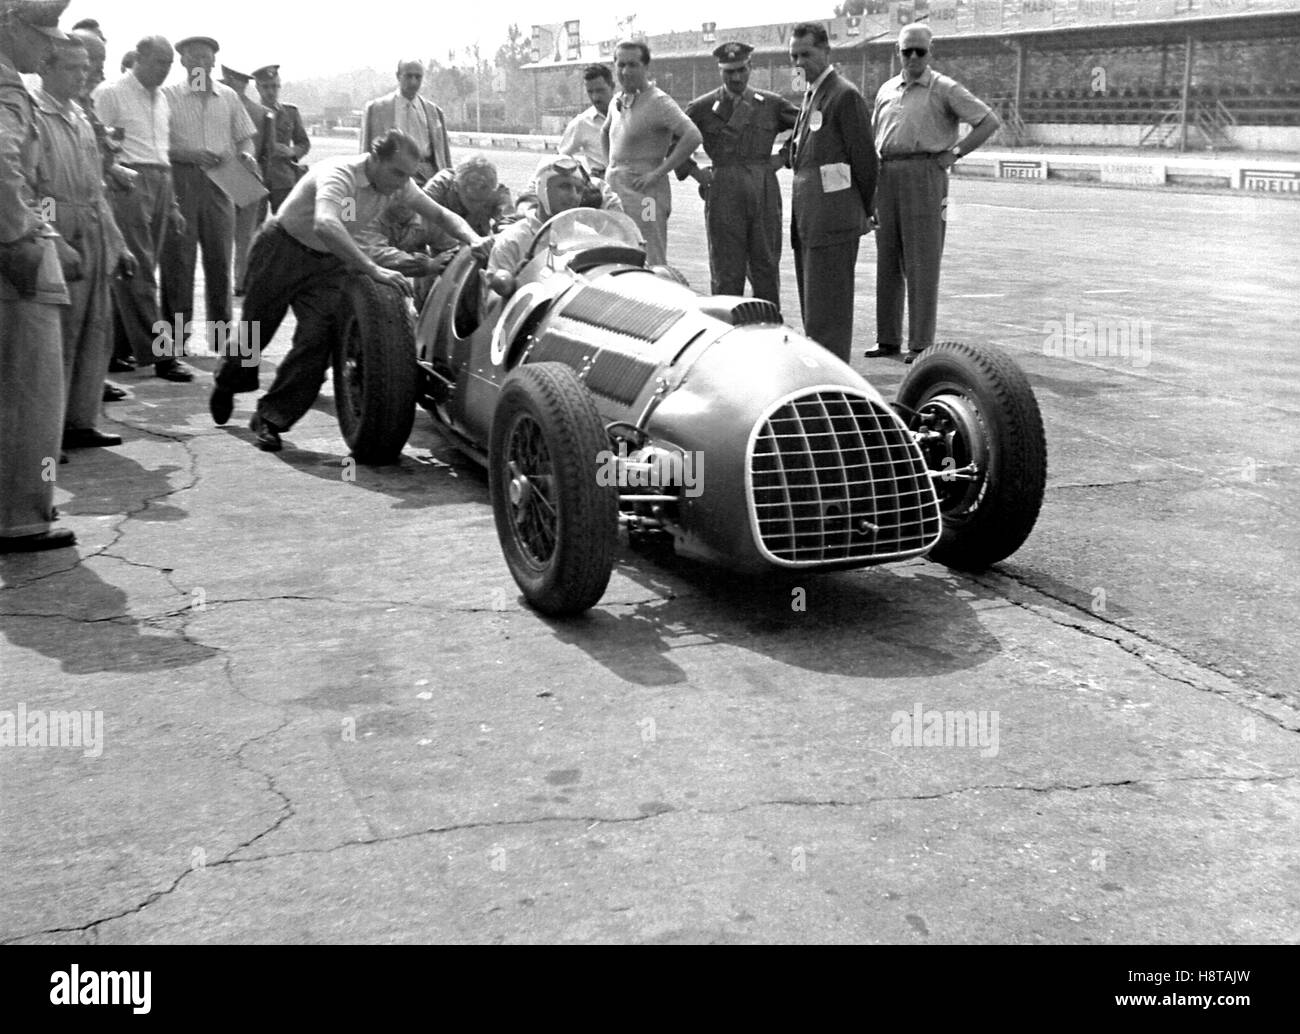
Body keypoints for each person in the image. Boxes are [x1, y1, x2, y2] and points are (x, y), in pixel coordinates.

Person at [208, 130, 490, 453]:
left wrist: (474, 239)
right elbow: (325, 224)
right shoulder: (339, 174)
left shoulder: (399, 184)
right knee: (255, 332)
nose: (402, 183)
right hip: (282, 249)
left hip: (328, 262)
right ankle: (228, 381)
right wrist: (372, 268)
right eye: (397, 172)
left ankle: (270, 419)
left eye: (408, 176)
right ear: (375, 158)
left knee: (320, 341)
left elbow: (439, 214)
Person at [868, 23, 1000, 363]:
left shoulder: (944, 88)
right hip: (887, 174)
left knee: (922, 261)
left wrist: (954, 154)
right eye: (906, 51)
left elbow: (988, 121)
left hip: (926, 174)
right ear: (897, 53)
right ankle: (887, 339)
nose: (913, 57)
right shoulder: (886, 90)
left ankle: (921, 343)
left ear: (931, 52)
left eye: (919, 51)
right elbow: (874, 136)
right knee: (887, 259)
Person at [32, 34, 135, 449]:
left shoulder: (79, 117)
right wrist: (55, 240)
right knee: (58, 337)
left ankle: (80, 421)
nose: (83, 75)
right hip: (58, 233)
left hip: (93, 229)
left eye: (86, 67)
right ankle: (47, 435)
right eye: (73, 67)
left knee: (96, 329)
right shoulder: (34, 116)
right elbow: (30, 190)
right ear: (46, 68)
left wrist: (119, 243)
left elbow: (96, 189)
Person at [0, 0, 75, 553]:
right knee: (35, 397)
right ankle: (24, 515)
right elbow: (5, 176)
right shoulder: (8, 91)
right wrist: (24, 235)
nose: (50, 46)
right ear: (8, 24)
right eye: (42, 34)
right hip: (14, 257)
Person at [93, 35, 192, 380]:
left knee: (137, 270)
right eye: (159, 63)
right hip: (129, 180)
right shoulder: (111, 92)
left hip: (162, 180)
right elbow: (97, 145)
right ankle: (161, 355)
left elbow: (163, 152)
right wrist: (111, 175)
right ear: (139, 58)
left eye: (169, 65)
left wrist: (174, 203)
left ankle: (117, 350)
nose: (165, 71)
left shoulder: (162, 99)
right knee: (141, 270)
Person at [160, 35, 258, 369]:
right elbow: (157, 145)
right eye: (194, 57)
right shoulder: (168, 96)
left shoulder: (229, 96)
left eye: (206, 58)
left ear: (214, 63)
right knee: (178, 263)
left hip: (223, 180)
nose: (200, 63)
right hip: (181, 179)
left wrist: (245, 155)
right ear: (183, 62)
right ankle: (173, 342)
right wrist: (187, 153)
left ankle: (220, 338)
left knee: (219, 259)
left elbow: (245, 137)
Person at [679, 41, 798, 308]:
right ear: (720, 71)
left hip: (763, 186)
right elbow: (672, 138)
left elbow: (810, 124)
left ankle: (768, 332)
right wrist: (695, 172)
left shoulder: (771, 103)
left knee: (765, 267)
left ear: (750, 67)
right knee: (726, 272)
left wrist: (783, 157)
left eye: (741, 70)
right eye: (728, 72)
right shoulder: (702, 107)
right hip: (723, 189)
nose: (736, 77)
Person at [787, 22, 877, 364]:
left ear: (827, 52)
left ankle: (836, 395)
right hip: (809, 221)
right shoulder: (811, 94)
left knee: (830, 318)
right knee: (815, 314)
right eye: (794, 55)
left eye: (806, 54)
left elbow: (865, 161)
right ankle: (823, 381)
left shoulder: (844, 95)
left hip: (833, 222)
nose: (799, 61)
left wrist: (865, 209)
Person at [601, 39, 701, 267]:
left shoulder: (659, 102)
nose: (626, 71)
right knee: (618, 251)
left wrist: (657, 173)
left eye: (633, 65)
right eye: (621, 65)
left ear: (646, 67)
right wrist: (610, 166)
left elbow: (693, 136)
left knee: (650, 251)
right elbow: (605, 130)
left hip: (646, 195)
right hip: (617, 191)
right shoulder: (617, 100)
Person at [487, 155, 619, 280]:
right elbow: (494, 301)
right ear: (542, 188)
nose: (573, 196)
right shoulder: (512, 241)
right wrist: (516, 281)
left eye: (579, 189)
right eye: (564, 187)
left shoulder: (589, 238)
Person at [360, 59, 450, 185]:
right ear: (398, 76)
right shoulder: (376, 109)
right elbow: (365, 153)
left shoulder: (434, 112)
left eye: (418, 77)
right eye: (408, 76)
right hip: (391, 177)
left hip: (428, 178)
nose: (413, 81)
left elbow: (444, 155)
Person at [219, 63, 266, 291]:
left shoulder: (218, 102)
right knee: (245, 235)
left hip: (224, 173)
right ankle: (241, 281)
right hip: (248, 172)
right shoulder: (259, 110)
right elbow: (266, 151)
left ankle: (230, 281)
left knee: (223, 234)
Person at [251, 64, 309, 215]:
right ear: (257, 87)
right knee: (253, 228)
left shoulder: (290, 113)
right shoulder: (249, 112)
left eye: (275, 86)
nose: (271, 91)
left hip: (284, 179)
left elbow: (304, 143)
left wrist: (291, 151)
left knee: (286, 226)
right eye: (266, 87)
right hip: (256, 178)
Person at [558, 64, 612, 177]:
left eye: (600, 90)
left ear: (612, 86)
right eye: (590, 92)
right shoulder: (581, 123)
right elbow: (562, 157)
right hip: (602, 186)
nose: (595, 97)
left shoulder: (628, 114)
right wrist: (582, 177)